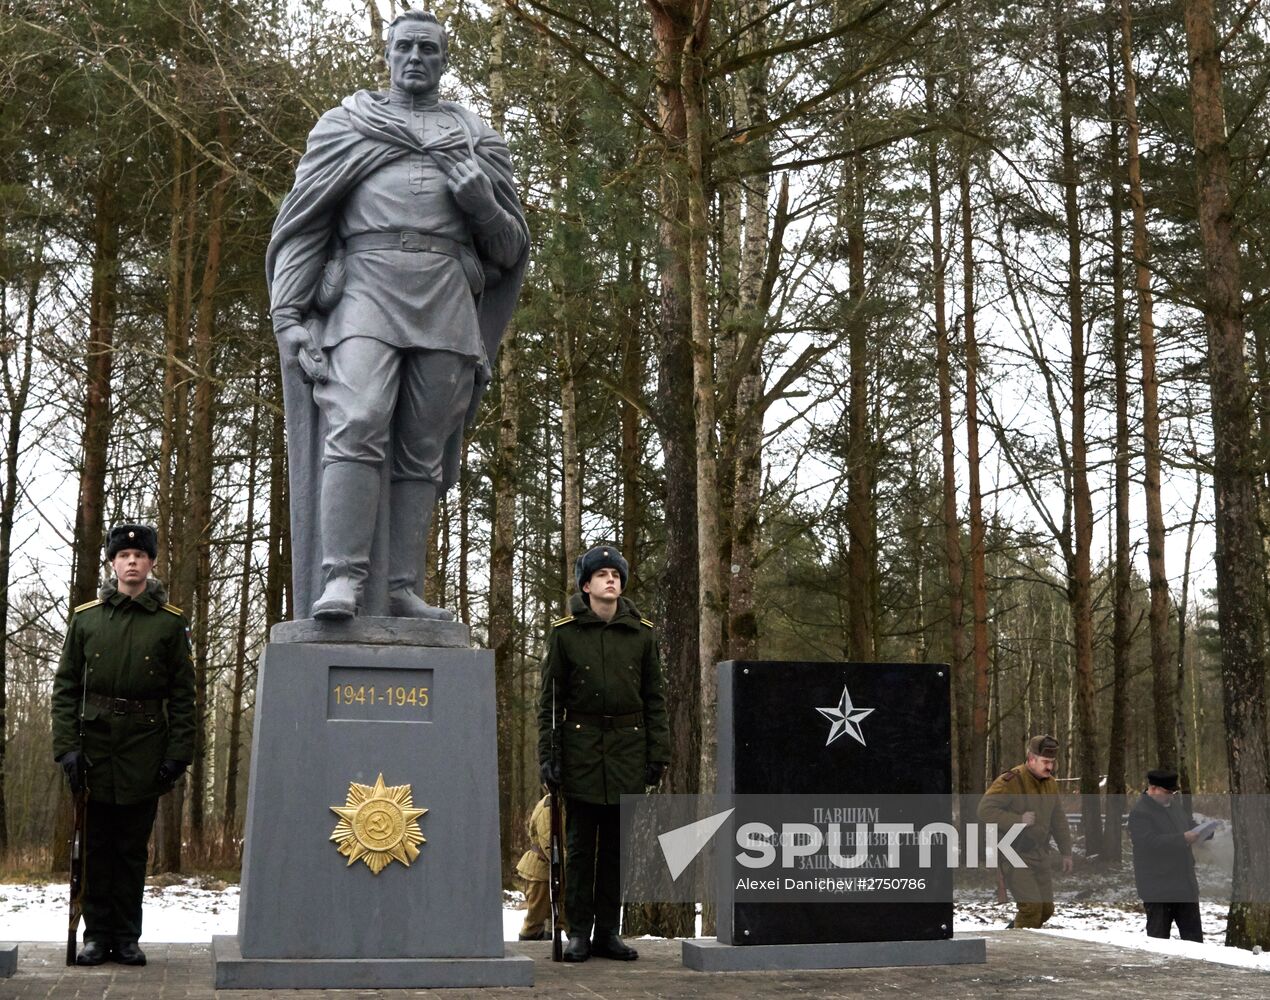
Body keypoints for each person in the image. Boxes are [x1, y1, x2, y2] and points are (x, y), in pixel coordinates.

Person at [266, 9, 528, 621]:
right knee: (356, 419)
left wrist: (481, 203)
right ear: (387, 55)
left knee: (422, 446)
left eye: (428, 50)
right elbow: (306, 226)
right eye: (405, 47)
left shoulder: (476, 139)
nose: (415, 58)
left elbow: (511, 250)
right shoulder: (346, 126)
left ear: (444, 60)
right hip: (365, 290)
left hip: (445, 298)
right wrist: (290, 316)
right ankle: (342, 578)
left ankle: (398, 588)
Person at [51, 524, 196, 966]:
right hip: (94, 747)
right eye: (124, 555)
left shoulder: (171, 624)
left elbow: (184, 696)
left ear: (151, 563)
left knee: (132, 850)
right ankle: (96, 935)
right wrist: (66, 748)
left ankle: (127, 937)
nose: (132, 561)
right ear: (112, 563)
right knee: (95, 847)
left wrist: (177, 754)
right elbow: (66, 688)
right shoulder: (86, 618)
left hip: (144, 747)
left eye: (140, 555)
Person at [537, 544, 670, 963]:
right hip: (580, 749)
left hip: (628, 748)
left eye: (616, 574)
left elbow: (655, 698)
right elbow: (548, 703)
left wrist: (657, 753)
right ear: (586, 585)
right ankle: (578, 931)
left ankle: (608, 931)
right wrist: (549, 755)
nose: (611, 579)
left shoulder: (642, 633)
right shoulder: (565, 634)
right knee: (579, 847)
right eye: (602, 574)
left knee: (617, 847)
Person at [978, 734, 1073, 929]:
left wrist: (1066, 852)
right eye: (1045, 762)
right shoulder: (1011, 781)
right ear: (1031, 759)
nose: (1050, 767)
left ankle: (1012, 937)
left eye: (1052, 762)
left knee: (1046, 910)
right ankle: (1018, 954)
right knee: (1031, 909)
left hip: (1040, 853)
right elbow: (984, 810)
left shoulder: (1050, 784)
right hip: (1014, 853)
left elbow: (1058, 819)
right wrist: (1018, 820)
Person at [1127, 768, 1204, 942]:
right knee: (1158, 942)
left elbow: (1186, 823)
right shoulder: (1140, 813)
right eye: (1167, 792)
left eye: (1173, 792)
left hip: (1184, 886)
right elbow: (1148, 843)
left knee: (1195, 942)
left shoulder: (1174, 806)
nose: (1171, 796)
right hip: (1158, 888)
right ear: (1153, 789)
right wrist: (1182, 838)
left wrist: (1203, 831)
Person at [514, 792, 565, 941]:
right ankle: (528, 951)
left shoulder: (561, 803)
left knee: (554, 921)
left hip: (554, 869)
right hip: (542, 871)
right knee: (534, 921)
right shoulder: (549, 807)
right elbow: (549, 843)